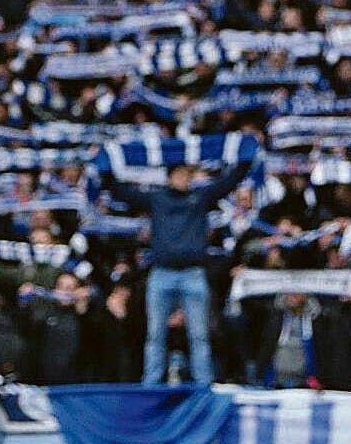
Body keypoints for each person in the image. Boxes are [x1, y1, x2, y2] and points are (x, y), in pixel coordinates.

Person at [106, 158, 256, 385]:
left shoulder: (200, 197)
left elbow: (229, 182)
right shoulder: (157, 199)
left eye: (188, 174)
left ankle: (203, 387)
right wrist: (106, 168)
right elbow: (121, 193)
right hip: (161, 273)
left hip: (192, 274)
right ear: (170, 176)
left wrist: (245, 159)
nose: (185, 178)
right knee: (155, 335)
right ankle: (151, 386)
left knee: (199, 336)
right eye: (180, 174)